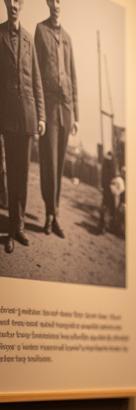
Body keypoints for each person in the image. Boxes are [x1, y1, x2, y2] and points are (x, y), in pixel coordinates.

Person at [0, 0, 44, 254]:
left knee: (23, 175)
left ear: (22, 4)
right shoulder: (0, 34)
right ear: (5, 3)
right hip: (6, 117)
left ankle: (19, 228)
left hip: (27, 118)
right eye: (10, 0)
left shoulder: (29, 39)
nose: (14, 4)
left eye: (18, 0)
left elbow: (36, 79)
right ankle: (8, 231)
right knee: (8, 175)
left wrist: (41, 117)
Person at [34, 0, 77, 239]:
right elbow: (37, 71)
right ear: (48, 3)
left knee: (59, 165)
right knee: (48, 163)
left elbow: (73, 75)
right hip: (48, 109)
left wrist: (77, 114)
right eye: (53, 0)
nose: (57, 4)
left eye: (60, 1)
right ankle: (50, 214)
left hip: (66, 110)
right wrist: (39, 111)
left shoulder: (69, 38)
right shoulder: (40, 31)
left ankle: (55, 212)